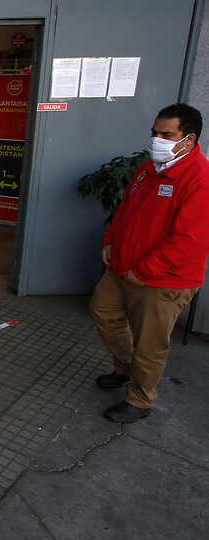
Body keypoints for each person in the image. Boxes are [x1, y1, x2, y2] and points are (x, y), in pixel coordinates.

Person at [89, 103, 209, 423]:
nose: (157, 140)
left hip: (163, 279)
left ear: (189, 138)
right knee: (103, 312)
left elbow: (190, 241)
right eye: (154, 132)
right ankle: (126, 369)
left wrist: (144, 271)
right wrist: (109, 240)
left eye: (166, 135)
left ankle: (140, 400)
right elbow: (125, 210)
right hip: (122, 267)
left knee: (150, 344)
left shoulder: (199, 178)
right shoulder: (148, 168)